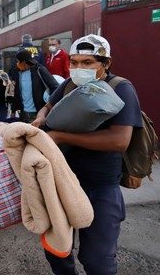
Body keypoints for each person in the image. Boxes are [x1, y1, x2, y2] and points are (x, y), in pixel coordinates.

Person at [32, 34, 143, 274]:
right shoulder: (69, 84)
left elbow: (119, 140)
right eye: (74, 62)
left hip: (100, 186)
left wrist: (61, 137)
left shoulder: (121, 88)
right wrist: (41, 117)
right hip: (62, 180)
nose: (78, 68)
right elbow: (48, 106)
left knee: (97, 260)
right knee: (57, 250)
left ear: (106, 63)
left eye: (87, 63)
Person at [9, 49, 59, 123]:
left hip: (38, 115)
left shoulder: (39, 70)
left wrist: (48, 105)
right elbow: (16, 92)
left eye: (18, 61)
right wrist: (13, 110)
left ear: (25, 62)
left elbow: (55, 87)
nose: (17, 63)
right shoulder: (18, 73)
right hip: (23, 115)